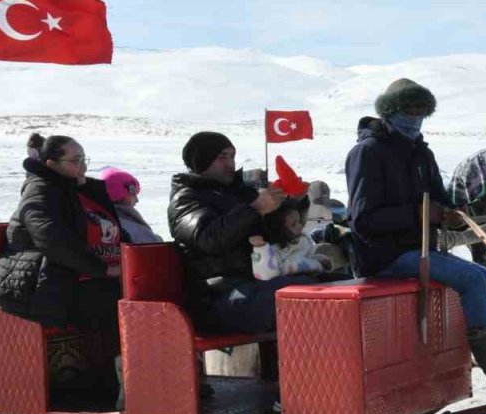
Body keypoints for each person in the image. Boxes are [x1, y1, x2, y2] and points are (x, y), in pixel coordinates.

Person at [345, 78, 486, 400]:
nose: (416, 119)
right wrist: (424, 214)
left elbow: (439, 200)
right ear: (391, 112)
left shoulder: (422, 153)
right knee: (474, 282)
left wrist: (451, 211)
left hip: (420, 248)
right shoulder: (368, 153)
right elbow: (364, 219)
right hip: (384, 256)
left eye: (422, 112)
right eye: (410, 110)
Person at [167, 131, 316, 333]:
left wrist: (293, 203)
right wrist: (254, 209)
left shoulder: (242, 192)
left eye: (232, 156)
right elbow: (208, 238)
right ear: (201, 160)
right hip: (218, 295)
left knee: (331, 285)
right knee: (304, 298)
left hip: (257, 282)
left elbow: (281, 232)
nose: (230, 163)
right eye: (222, 157)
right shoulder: (186, 199)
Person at [0, 133, 125, 332]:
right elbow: (50, 237)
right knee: (109, 304)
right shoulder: (40, 192)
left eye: (84, 159)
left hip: (94, 276)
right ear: (52, 165)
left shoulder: (82, 190)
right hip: (45, 281)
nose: (83, 166)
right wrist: (103, 269)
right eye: (75, 160)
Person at [249, 198, 328, 281]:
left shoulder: (302, 240)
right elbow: (265, 274)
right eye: (293, 224)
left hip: (312, 275)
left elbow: (308, 257)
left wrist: (319, 260)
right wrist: (261, 248)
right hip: (290, 283)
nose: (300, 226)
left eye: (299, 221)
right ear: (279, 230)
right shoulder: (275, 249)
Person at [97, 167, 162, 243]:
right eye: (133, 195)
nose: (137, 200)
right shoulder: (132, 227)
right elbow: (154, 245)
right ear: (119, 195)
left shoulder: (97, 218)